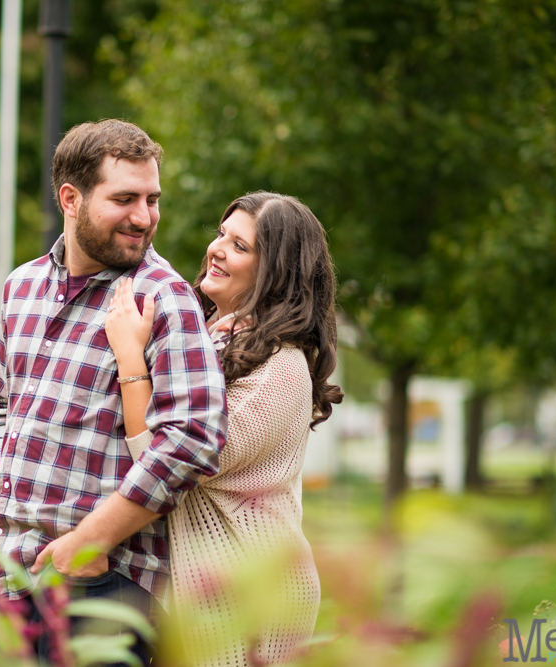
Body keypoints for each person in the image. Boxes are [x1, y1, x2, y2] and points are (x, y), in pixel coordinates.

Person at [0, 119, 228, 664]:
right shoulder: (20, 287)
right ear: (71, 199)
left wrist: (87, 544)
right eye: (124, 199)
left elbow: (193, 439)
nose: (144, 217)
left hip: (104, 588)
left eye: (152, 199)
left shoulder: (164, 298)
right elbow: (2, 410)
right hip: (12, 580)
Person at [105, 191, 343, 666]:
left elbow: (168, 460)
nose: (216, 248)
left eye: (239, 246)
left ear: (276, 273)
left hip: (248, 588)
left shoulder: (280, 368)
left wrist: (130, 359)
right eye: (221, 234)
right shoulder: (208, 339)